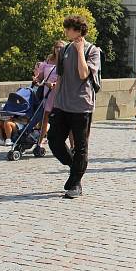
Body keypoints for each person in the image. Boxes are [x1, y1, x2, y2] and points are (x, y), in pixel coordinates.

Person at [47, 14, 101, 199]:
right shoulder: (64, 50)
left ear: (77, 30)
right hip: (62, 104)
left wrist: (79, 51)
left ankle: (75, 183)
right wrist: (55, 100)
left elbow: (83, 73)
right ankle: (74, 166)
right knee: (53, 140)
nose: (65, 31)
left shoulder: (92, 50)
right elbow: (60, 77)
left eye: (68, 28)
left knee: (80, 146)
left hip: (81, 106)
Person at [34, 40, 65, 149]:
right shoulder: (48, 60)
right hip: (47, 92)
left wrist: (56, 84)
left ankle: (69, 145)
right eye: (57, 47)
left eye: (61, 47)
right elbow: (41, 76)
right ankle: (40, 141)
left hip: (60, 93)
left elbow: (67, 78)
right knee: (45, 118)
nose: (59, 49)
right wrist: (37, 79)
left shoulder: (66, 61)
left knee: (63, 119)